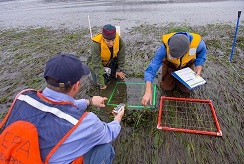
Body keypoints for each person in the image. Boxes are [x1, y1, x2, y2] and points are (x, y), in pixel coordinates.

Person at [0, 53, 125, 164]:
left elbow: (54, 105)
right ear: (76, 85)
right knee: (105, 149)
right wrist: (117, 119)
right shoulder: (86, 122)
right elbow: (109, 133)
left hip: (11, 156)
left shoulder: (23, 96)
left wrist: (89, 101)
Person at [141, 32, 207, 106]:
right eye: (173, 56)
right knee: (166, 88)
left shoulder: (198, 44)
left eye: (177, 57)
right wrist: (148, 90)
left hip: (186, 66)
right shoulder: (164, 48)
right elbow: (151, 68)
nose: (175, 58)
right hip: (170, 65)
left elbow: (201, 53)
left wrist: (199, 65)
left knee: (187, 89)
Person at [89, 24, 126, 90]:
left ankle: (110, 72)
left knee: (117, 77)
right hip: (96, 63)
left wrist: (119, 70)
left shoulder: (118, 39)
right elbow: (96, 64)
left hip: (109, 60)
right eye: (108, 41)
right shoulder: (96, 45)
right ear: (103, 38)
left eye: (113, 40)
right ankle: (102, 74)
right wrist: (101, 84)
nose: (111, 44)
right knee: (98, 83)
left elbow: (121, 55)